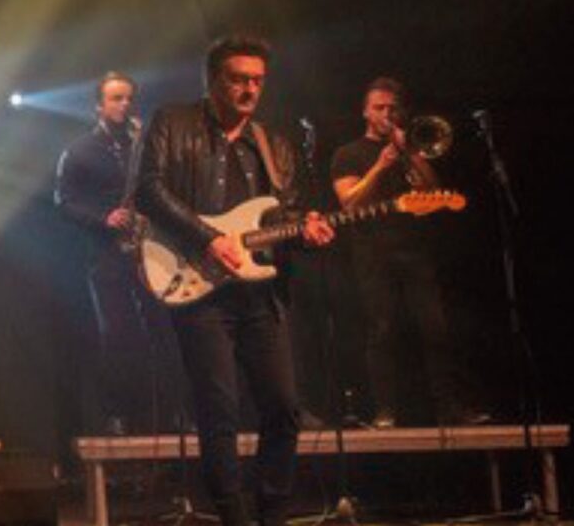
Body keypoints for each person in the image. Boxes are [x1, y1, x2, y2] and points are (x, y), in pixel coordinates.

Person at [138, 35, 334, 526]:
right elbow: (149, 190)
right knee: (219, 410)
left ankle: (273, 513)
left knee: (284, 408)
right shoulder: (172, 122)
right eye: (238, 79)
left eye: (257, 81)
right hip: (199, 288)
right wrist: (208, 238)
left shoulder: (274, 145)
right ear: (213, 80)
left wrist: (307, 232)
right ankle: (233, 516)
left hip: (260, 295)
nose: (249, 90)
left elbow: (282, 217)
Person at [330, 77, 485, 427]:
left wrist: (410, 154)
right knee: (382, 329)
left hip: (415, 250)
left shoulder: (409, 150)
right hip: (372, 252)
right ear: (365, 112)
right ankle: (385, 410)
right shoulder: (347, 154)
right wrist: (381, 165)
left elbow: (435, 192)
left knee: (436, 328)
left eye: (393, 109)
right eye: (380, 108)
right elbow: (349, 203)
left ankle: (450, 407)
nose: (387, 114)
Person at [54, 72, 150, 434]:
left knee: (161, 330)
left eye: (128, 98)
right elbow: (63, 202)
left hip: (149, 249)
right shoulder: (79, 151)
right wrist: (103, 218)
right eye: (116, 98)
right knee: (117, 334)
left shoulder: (142, 145)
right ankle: (118, 413)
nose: (125, 104)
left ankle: (167, 412)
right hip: (106, 254)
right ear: (98, 105)